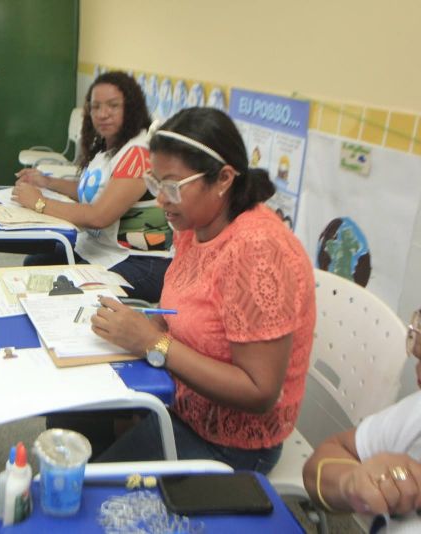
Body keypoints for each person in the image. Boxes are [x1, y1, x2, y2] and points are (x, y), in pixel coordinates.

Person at [88, 107, 316, 473]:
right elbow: (189, 316)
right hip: (179, 401)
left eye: (172, 186)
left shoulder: (258, 252)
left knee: (94, 490)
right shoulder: (195, 226)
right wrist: (144, 327)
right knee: (80, 420)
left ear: (224, 179)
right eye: (154, 183)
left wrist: (153, 342)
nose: (160, 200)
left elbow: (259, 391)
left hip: (231, 444)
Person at [13, 71, 172, 303]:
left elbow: (99, 216)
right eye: (96, 107)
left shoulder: (139, 153)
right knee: (35, 263)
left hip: (140, 263)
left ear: (131, 108)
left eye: (113, 106)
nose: (103, 114)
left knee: (60, 290)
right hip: (102, 250)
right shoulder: (109, 146)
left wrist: (39, 202)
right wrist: (46, 182)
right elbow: (93, 189)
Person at [302, 308, 421, 533]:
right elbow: (320, 464)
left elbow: (261, 390)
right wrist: (350, 482)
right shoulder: (415, 414)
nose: (416, 349)